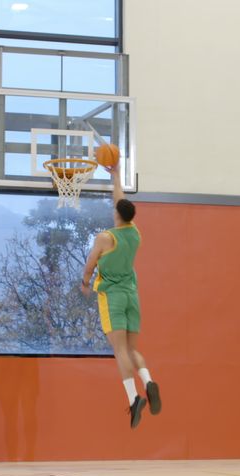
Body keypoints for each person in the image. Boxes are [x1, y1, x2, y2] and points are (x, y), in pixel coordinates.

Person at [81, 164, 161, 428]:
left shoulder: (105, 238)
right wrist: (115, 175)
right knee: (133, 349)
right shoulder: (134, 233)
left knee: (119, 352)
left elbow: (91, 263)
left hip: (112, 297)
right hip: (132, 296)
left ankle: (133, 398)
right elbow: (120, 200)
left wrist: (84, 283)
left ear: (116, 214)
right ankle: (148, 381)